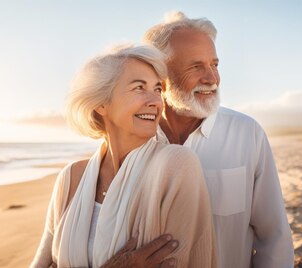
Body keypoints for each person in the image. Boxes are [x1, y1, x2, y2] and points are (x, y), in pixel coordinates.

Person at [30, 44, 217, 267]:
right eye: (139, 88)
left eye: (157, 89)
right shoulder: (71, 178)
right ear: (101, 103)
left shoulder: (176, 165)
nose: (156, 102)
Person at [138, 11, 295, 267]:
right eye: (196, 66)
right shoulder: (132, 139)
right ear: (160, 75)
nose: (212, 78)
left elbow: (274, 237)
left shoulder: (248, 134)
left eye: (215, 64)